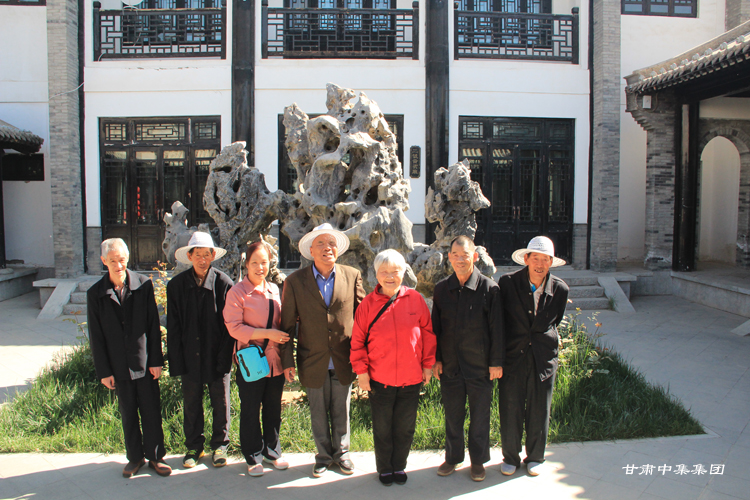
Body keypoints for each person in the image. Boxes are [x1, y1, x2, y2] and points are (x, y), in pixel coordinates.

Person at [279, 223, 366, 478]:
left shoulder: (352, 275)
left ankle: (342, 454)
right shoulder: (295, 282)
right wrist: (287, 361)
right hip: (312, 358)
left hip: (343, 356)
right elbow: (287, 325)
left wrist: (364, 358)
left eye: (331, 243)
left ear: (337, 250)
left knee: (342, 409)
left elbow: (363, 319)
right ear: (311, 250)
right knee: (317, 411)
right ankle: (323, 457)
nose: (327, 248)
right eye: (321, 243)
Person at [350, 249, 436, 487]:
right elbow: (357, 341)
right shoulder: (367, 305)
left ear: (403, 272)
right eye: (384, 271)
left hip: (411, 378)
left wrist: (427, 365)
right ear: (376, 274)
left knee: (405, 427)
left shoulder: (415, 299)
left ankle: (399, 465)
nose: (390, 276)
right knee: (383, 428)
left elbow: (427, 334)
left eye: (395, 271)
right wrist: (362, 373)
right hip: (380, 379)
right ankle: (385, 468)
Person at [87, 238, 171, 478]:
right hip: (118, 365)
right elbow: (96, 336)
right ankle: (135, 458)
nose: (118, 265)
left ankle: (156, 456)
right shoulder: (96, 293)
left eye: (121, 260)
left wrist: (156, 361)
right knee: (128, 413)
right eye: (112, 261)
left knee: (151, 411)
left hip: (144, 362)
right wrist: (104, 371)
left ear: (128, 258)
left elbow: (153, 325)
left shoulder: (143, 285)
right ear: (104, 261)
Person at [432, 235, 503, 482]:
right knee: (453, 416)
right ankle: (452, 457)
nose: (460, 260)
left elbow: (497, 328)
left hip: (480, 366)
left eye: (465, 255)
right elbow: (436, 328)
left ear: (474, 256)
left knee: (480, 417)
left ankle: (478, 461)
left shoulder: (489, 289)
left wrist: (496, 362)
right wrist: (437, 359)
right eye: (456, 255)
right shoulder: (442, 289)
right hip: (451, 365)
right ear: (449, 257)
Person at [497, 236, 569, 477]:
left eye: (545, 259)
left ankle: (536, 457)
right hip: (513, 356)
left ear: (551, 262)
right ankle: (510, 457)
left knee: (539, 410)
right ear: (526, 259)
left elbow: (554, 321)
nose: (540, 264)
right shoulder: (508, 283)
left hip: (543, 358)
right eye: (535, 258)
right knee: (511, 407)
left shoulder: (560, 289)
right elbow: (500, 321)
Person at [167, 231, 234, 469]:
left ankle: (220, 445)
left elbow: (230, 326)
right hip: (189, 357)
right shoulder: (176, 286)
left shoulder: (224, 283)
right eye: (198, 255)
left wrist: (225, 358)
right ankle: (194, 447)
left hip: (217, 355)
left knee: (221, 403)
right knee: (192, 403)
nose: (202, 259)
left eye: (207, 254)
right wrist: (176, 360)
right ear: (190, 256)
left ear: (213, 255)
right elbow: (173, 326)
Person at [224, 241, 291, 477]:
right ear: (247, 264)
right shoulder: (237, 292)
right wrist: (268, 334)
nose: (260, 267)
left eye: (264, 262)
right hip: (251, 360)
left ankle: (272, 451)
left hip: (275, 361)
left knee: (273, 408)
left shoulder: (274, 289)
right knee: (251, 409)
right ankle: (253, 456)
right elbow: (234, 327)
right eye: (255, 263)